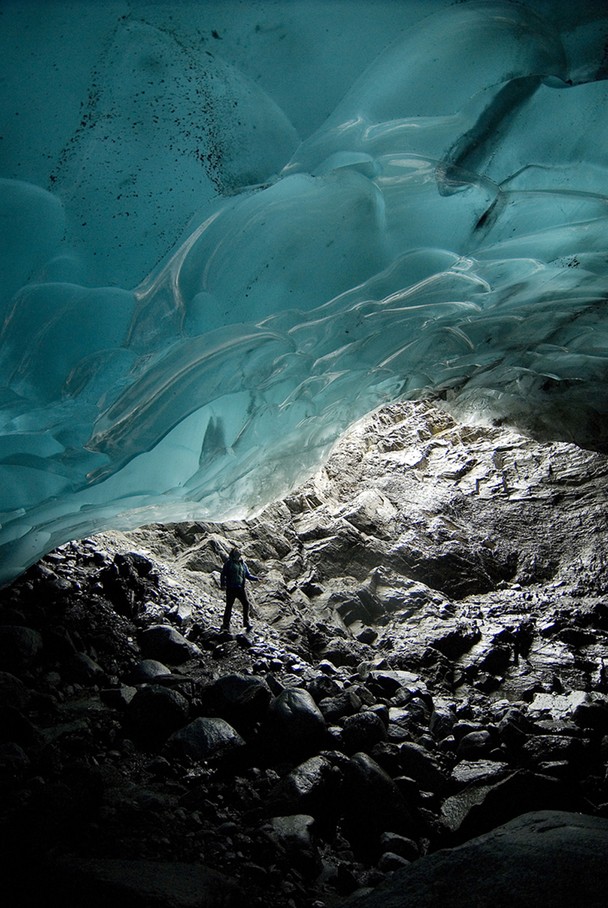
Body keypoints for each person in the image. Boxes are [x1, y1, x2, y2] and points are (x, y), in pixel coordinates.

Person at [220, 547, 258, 631]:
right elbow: (223, 574)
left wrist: (257, 578)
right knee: (229, 606)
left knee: (246, 604)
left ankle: (246, 623)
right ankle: (225, 625)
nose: (239, 553)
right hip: (231, 588)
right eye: (237, 552)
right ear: (233, 554)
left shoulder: (243, 564)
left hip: (240, 588)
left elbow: (248, 575)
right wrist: (223, 584)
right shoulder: (229, 563)